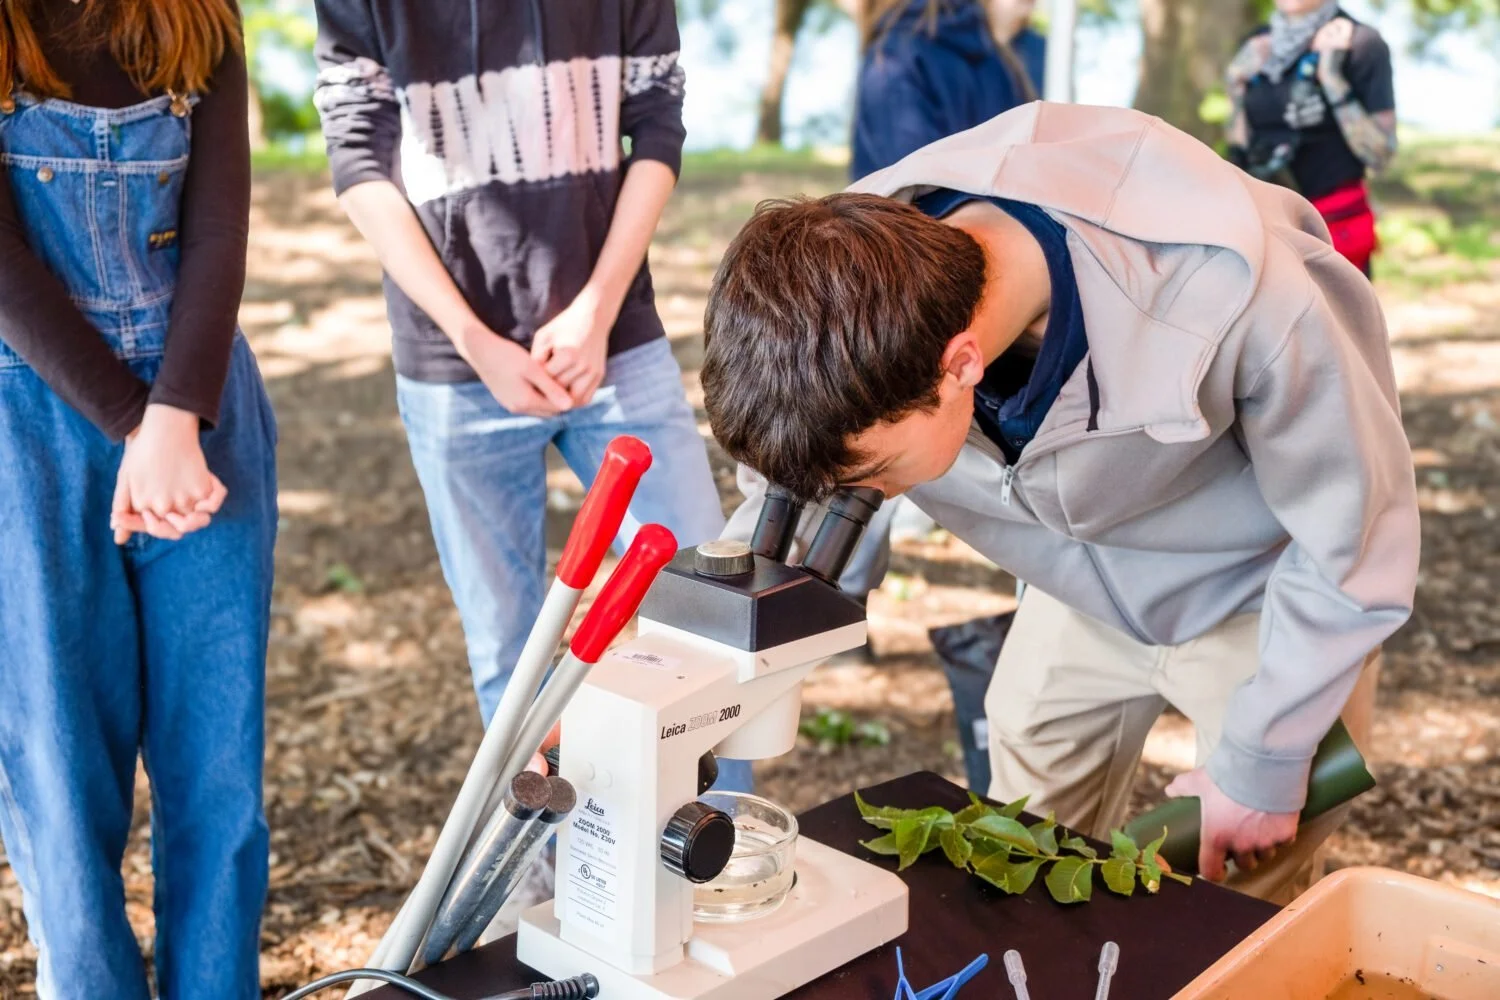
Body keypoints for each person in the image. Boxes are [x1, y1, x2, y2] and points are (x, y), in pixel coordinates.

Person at [706, 101, 1419, 902]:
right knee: (1021, 857)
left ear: (959, 368)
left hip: (1265, 596)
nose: (850, 501)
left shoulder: (1244, 294)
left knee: (1248, 892)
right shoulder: (848, 276)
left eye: (867, 474)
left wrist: (1264, 763)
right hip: (1077, 591)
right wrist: (697, 658)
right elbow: (792, 493)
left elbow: (1355, 542)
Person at [311, 0, 751, 791]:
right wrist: (471, 338)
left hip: (615, 344)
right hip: (455, 365)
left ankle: (721, 863)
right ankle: (553, 885)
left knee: (707, 613)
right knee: (508, 656)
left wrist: (597, 308)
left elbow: (658, 128)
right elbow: (359, 164)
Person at [0, 1, 277, 997]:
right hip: (27, 431)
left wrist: (176, 417)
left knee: (220, 783)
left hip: (202, 424)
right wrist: (132, 420)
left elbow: (219, 227)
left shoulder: (203, 16)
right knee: (60, 788)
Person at [843, 0, 1043, 792]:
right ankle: (830, 595)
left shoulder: (1012, 50)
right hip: (915, 312)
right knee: (875, 455)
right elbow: (910, 204)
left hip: (1014, 295)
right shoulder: (907, 55)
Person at [1226, 1, 1396, 276]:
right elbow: (1240, 148)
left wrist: (1331, 77)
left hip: (1332, 232)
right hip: (1266, 228)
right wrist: (1235, 83)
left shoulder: (1361, 42)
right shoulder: (1255, 43)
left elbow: (1380, 154)